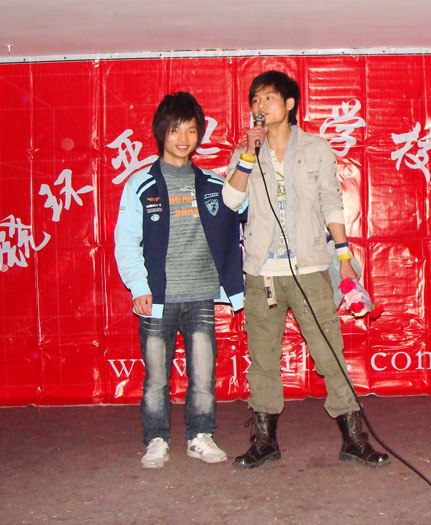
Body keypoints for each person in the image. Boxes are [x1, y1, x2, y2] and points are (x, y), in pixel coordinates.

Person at [222, 71, 389, 468]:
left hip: (311, 266)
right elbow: (230, 201)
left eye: (268, 98)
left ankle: (354, 439)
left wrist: (344, 259)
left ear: (290, 103)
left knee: (329, 352)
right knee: (263, 358)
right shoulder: (246, 150)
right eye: (255, 100)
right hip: (262, 271)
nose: (260, 106)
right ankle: (265, 441)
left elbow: (332, 203)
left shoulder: (316, 148)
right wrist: (248, 154)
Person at [114, 91, 244, 469]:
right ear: (162, 133)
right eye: (175, 130)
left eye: (190, 130)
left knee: (203, 375)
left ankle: (200, 436)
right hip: (159, 299)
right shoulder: (141, 184)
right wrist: (139, 287)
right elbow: (126, 241)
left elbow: (244, 205)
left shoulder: (212, 183)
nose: (184, 138)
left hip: (201, 295)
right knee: (157, 378)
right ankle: (156, 439)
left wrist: (246, 159)